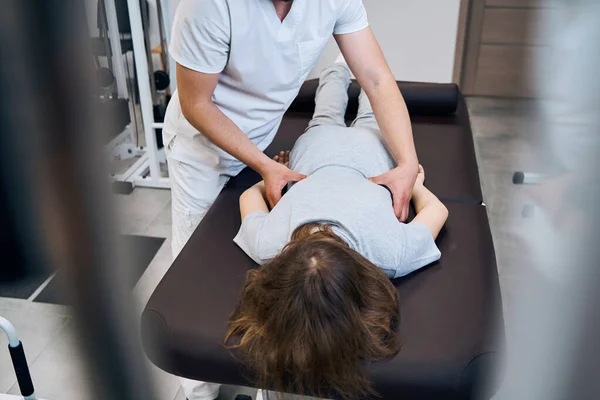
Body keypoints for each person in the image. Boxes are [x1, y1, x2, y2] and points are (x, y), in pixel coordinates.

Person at [165, 0, 419, 397]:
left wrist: (408, 163)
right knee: (197, 274)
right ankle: (198, 392)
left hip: (261, 141)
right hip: (203, 154)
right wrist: (265, 167)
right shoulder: (208, 5)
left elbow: (376, 78)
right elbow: (196, 102)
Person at [226, 59, 448, 399]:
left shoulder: (392, 254)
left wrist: (414, 181)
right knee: (329, 114)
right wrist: (275, 173)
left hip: (367, 154)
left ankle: (343, 67)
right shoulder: (269, 245)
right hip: (319, 150)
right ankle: (344, 67)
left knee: (365, 116)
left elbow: (435, 210)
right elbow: (249, 196)